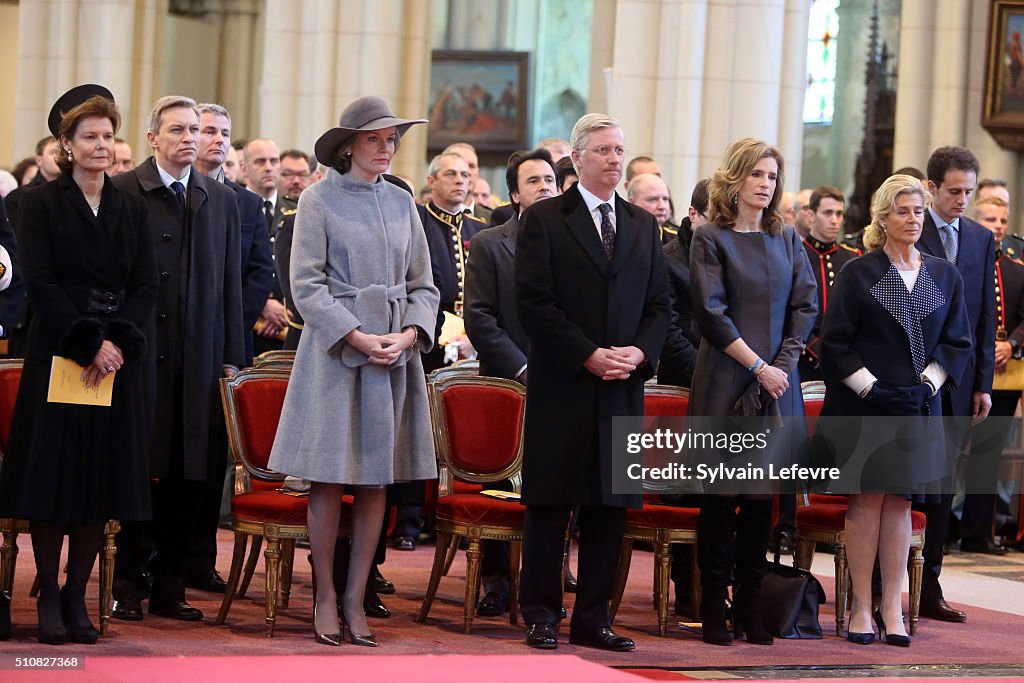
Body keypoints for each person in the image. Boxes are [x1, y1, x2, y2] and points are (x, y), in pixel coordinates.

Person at [267, 96, 438, 647]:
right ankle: (322, 596)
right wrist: (357, 336)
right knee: (329, 478)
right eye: (375, 139)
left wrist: (410, 334)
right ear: (348, 146)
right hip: (338, 355)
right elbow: (307, 286)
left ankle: (354, 598)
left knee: (375, 481)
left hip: (393, 355)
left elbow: (424, 286)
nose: (386, 148)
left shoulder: (403, 201)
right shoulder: (317, 199)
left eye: (392, 139)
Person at [0, 84, 157, 645]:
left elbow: (143, 284)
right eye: (88, 137)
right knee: (52, 479)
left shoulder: (129, 204)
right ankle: (45, 593)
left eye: (108, 137)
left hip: (114, 363)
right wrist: (86, 341)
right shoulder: (39, 202)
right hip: (59, 352)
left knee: (98, 480)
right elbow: (39, 281)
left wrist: (115, 342)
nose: (101, 146)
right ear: (65, 143)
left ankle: (76, 595)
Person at [515, 113, 670, 652]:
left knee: (610, 507)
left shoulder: (642, 225)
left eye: (619, 149)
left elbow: (659, 306)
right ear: (576, 159)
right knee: (551, 505)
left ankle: (593, 618)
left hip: (622, 384)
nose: (614, 159)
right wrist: (587, 354)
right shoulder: (545, 219)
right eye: (603, 150)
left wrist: (639, 352)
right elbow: (533, 303)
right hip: (565, 382)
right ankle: (539, 611)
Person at [816, 174, 972, 646]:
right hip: (865, 406)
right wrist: (871, 389)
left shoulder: (945, 273)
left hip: (917, 408)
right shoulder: (859, 272)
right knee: (866, 502)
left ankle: (892, 610)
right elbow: (834, 344)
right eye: (902, 211)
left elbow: (957, 342)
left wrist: (929, 385)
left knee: (901, 504)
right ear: (882, 217)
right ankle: (861, 607)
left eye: (918, 211)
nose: (912, 219)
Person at [110, 95, 243, 623]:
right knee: (138, 472)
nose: (190, 137)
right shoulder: (124, 191)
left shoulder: (222, 198)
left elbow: (231, 285)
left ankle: (170, 586)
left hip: (200, 359)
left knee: (192, 477)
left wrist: (233, 359)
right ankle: (126, 584)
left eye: (196, 129)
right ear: (153, 137)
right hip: (138, 360)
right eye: (178, 129)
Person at [688, 138, 817, 645]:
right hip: (726, 378)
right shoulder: (711, 238)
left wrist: (779, 367)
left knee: (763, 504)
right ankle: (713, 607)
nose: (766, 185)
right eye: (758, 175)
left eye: (772, 177)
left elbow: (805, 307)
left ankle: (749, 606)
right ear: (735, 179)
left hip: (776, 386)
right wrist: (758, 365)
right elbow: (710, 312)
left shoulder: (786, 238)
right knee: (721, 501)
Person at [464, 148, 557, 617]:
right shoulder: (490, 243)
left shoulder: (570, 244)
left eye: (550, 180)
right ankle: (496, 580)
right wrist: (522, 368)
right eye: (534, 181)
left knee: (556, 483)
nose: (545, 187)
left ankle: (549, 576)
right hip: (507, 383)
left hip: (562, 382)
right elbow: (479, 318)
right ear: (515, 193)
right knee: (500, 482)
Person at [915, 146, 995, 623]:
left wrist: (982, 383)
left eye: (969, 191)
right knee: (905, 482)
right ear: (931, 188)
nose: (962, 199)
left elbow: (984, 315)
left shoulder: (982, 239)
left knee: (944, 487)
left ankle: (931, 585)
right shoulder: (909, 225)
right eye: (954, 191)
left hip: (960, 382)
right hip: (913, 377)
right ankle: (888, 580)